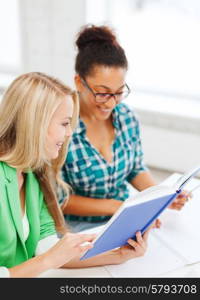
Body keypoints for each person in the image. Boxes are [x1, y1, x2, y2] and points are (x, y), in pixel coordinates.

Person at [0, 72, 151, 278]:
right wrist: (48, 260)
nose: (70, 133)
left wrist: (118, 255)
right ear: (36, 124)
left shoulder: (33, 175)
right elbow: (49, 257)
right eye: (64, 124)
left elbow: (49, 248)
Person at [61, 25, 190, 233]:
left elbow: (135, 168)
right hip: (75, 229)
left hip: (121, 220)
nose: (111, 103)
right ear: (79, 82)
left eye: (119, 92)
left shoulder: (127, 117)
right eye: (102, 93)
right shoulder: (60, 126)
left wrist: (160, 196)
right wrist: (118, 207)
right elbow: (58, 199)